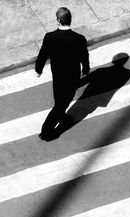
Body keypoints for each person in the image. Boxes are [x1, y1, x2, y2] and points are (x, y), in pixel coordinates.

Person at [35, 7, 90, 141]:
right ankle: (46, 131)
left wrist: (39, 69)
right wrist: (86, 69)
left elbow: (42, 55)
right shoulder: (79, 38)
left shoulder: (50, 37)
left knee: (60, 101)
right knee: (61, 104)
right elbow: (84, 56)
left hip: (58, 77)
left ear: (58, 20)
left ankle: (60, 119)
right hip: (72, 77)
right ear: (70, 20)